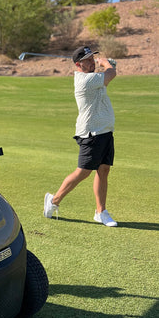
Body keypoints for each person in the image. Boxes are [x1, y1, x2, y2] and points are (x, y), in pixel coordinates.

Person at [44, 45, 118, 227]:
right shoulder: (85, 80)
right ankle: (53, 201)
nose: (92, 62)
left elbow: (107, 76)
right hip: (91, 133)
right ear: (78, 65)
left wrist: (109, 65)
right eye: (88, 61)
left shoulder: (93, 77)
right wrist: (107, 64)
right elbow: (110, 74)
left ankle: (101, 212)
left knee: (103, 170)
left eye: (93, 59)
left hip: (105, 131)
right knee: (83, 172)